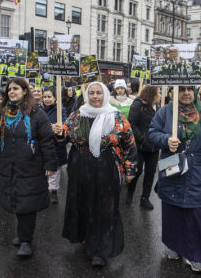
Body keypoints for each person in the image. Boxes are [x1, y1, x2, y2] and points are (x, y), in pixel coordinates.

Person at [55, 81, 137, 267]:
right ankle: (86, 239)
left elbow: (129, 143)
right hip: (79, 167)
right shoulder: (77, 115)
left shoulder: (116, 117)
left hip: (105, 168)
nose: (95, 96)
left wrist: (130, 169)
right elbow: (65, 136)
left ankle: (100, 249)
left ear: (105, 95)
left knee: (103, 207)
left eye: (98, 93)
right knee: (83, 204)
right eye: (91, 93)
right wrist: (60, 133)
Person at [149, 86, 201, 273]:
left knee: (198, 214)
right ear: (174, 92)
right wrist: (166, 139)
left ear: (195, 92)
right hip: (172, 167)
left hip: (199, 170)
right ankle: (176, 246)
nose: (186, 93)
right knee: (173, 210)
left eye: (189, 89)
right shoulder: (165, 111)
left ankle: (195, 254)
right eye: (181, 89)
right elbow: (152, 132)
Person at [0, 78, 57, 257]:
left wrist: (50, 164)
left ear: (25, 91)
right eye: (9, 89)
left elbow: (46, 140)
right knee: (16, 199)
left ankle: (26, 240)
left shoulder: (36, 113)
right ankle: (22, 234)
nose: (12, 92)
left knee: (27, 202)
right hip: (8, 165)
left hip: (30, 166)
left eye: (16, 88)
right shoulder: (2, 113)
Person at [127, 86, 160, 210]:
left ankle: (145, 198)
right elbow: (131, 123)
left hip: (154, 147)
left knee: (150, 173)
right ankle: (130, 192)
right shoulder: (138, 105)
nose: (160, 96)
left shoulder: (159, 107)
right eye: (158, 93)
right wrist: (142, 138)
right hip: (140, 146)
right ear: (152, 94)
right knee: (137, 171)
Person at [42, 87, 67, 203]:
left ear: (55, 98)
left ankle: (53, 191)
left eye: (49, 97)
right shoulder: (39, 110)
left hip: (56, 144)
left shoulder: (60, 110)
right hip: (43, 144)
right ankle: (44, 190)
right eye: (44, 97)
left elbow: (64, 126)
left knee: (55, 171)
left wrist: (58, 128)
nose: (46, 99)